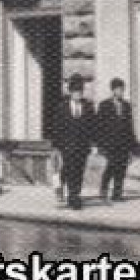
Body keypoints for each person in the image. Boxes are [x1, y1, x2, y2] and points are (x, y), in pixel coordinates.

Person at [53, 74, 96, 210]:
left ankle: (69, 189)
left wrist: (93, 144)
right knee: (71, 169)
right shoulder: (62, 107)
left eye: (80, 92)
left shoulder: (88, 106)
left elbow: (92, 127)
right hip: (67, 146)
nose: (78, 94)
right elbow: (57, 128)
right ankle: (73, 198)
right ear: (70, 92)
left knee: (79, 171)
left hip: (83, 146)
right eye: (76, 92)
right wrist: (56, 147)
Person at [95, 78, 137, 202]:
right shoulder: (104, 105)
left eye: (122, 89)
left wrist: (132, 145)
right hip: (110, 143)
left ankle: (117, 194)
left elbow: (130, 125)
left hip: (123, 143)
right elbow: (99, 126)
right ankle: (103, 191)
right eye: (118, 89)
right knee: (111, 166)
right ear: (113, 90)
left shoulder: (126, 106)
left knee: (122, 168)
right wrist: (100, 145)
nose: (121, 92)